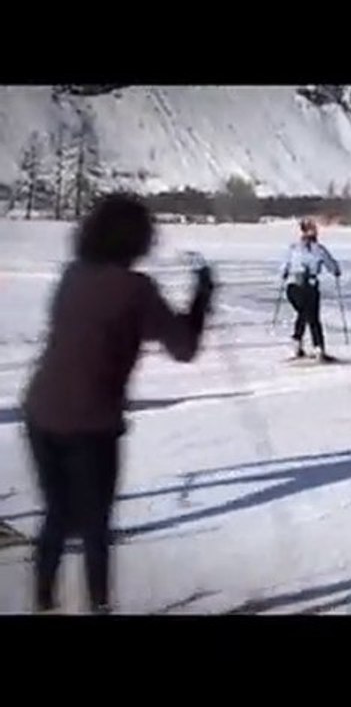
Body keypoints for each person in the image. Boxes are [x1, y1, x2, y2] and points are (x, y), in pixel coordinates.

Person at [21, 193, 215, 614]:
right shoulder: (135, 289)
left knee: (57, 514)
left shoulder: (73, 274)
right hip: (91, 423)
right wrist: (202, 298)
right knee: (94, 524)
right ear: (136, 239)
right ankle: (99, 606)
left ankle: (43, 602)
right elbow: (183, 348)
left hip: (40, 411)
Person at [280, 217, 341, 362]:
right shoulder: (318, 250)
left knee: (303, 314)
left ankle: (297, 344)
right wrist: (336, 271)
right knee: (312, 318)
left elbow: (284, 267)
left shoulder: (293, 248)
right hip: (308, 288)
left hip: (292, 288)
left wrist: (284, 273)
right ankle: (318, 348)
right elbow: (331, 266)